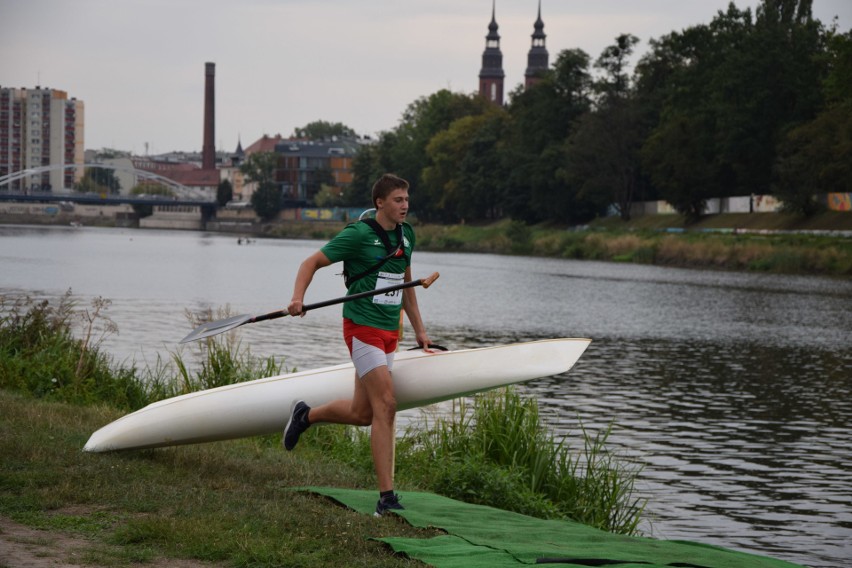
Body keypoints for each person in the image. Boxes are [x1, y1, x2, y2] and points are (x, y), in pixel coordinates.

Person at [283, 173, 432, 517]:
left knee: (363, 414)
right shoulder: (358, 234)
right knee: (387, 404)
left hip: (389, 332)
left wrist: (420, 330)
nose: (405, 205)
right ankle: (386, 499)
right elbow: (311, 263)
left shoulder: (406, 235)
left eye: (407, 199)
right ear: (380, 202)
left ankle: (305, 415)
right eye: (398, 200)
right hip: (361, 328)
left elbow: (406, 284)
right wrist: (297, 298)